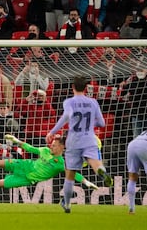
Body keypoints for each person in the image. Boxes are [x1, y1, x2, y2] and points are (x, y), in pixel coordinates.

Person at [46, 75, 113, 213]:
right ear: (86, 88)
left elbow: (66, 117)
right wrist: (88, 126)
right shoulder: (93, 102)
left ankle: (68, 204)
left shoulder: (69, 102)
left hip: (74, 140)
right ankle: (102, 172)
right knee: (95, 163)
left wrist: (52, 132)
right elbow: (102, 123)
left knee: (70, 175)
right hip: (89, 138)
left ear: (73, 87)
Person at [0, 134, 98, 192]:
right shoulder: (45, 150)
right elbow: (29, 148)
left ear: (62, 147)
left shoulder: (61, 164)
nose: (51, 146)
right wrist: (15, 140)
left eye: (54, 145)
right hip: (24, 165)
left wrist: (86, 182)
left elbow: (73, 175)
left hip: (26, 179)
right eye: (51, 144)